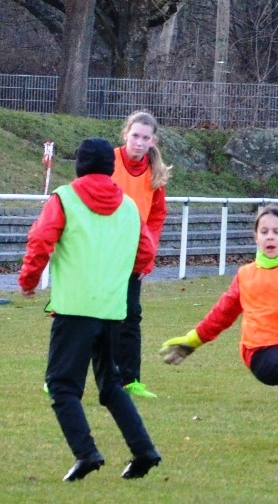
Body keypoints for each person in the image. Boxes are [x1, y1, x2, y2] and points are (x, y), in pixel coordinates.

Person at [19, 137, 163, 481]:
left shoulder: (64, 198)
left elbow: (41, 239)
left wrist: (28, 280)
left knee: (62, 386)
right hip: (112, 308)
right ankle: (144, 451)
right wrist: (121, 275)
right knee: (111, 384)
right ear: (111, 168)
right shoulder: (128, 205)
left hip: (74, 308)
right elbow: (145, 252)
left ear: (79, 166)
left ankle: (86, 454)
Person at [158, 204, 278, 456]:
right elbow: (222, 314)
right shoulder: (246, 275)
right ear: (256, 238)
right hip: (259, 352)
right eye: (264, 232)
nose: (270, 237)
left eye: (276, 231)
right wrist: (193, 340)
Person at [111, 110, 172, 399]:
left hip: (133, 255)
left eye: (145, 138)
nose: (139, 142)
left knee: (131, 314)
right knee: (91, 316)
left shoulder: (155, 171)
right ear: (126, 134)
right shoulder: (109, 161)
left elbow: (157, 215)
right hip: (104, 251)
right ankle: (63, 377)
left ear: (153, 141)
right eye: (135, 135)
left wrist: (149, 250)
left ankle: (130, 379)